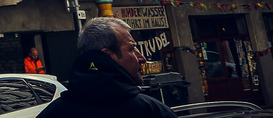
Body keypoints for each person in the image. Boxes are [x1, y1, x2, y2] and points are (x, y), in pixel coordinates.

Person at [38, 17, 176, 118]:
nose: (142, 58)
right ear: (108, 55)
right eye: (132, 49)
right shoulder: (150, 111)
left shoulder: (53, 112)